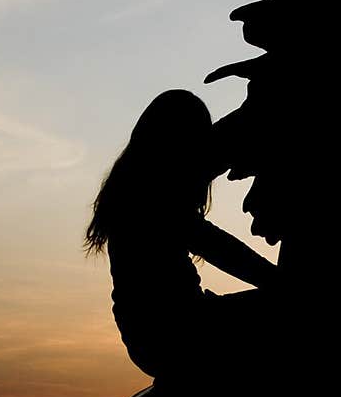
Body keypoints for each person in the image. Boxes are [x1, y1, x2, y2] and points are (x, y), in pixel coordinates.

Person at [84, 90, 277, 381]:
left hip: (150, 336)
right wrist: (277, 281)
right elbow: (218, 247)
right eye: (194, 143)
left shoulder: (132, 192)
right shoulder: (154, 198)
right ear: (176, 144)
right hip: (180, 332)